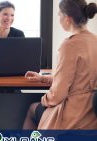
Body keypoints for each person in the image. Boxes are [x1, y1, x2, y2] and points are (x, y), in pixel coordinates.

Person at [23, 0, 97, 129]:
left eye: (59, 14)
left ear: (67, 19)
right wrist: (44, 78)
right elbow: (80, 81)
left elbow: (58, 94)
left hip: (75, 117)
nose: (58, 18)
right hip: (92, 116)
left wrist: (44, 100)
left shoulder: (69, 45)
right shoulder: (94, 40)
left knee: (31, 109)